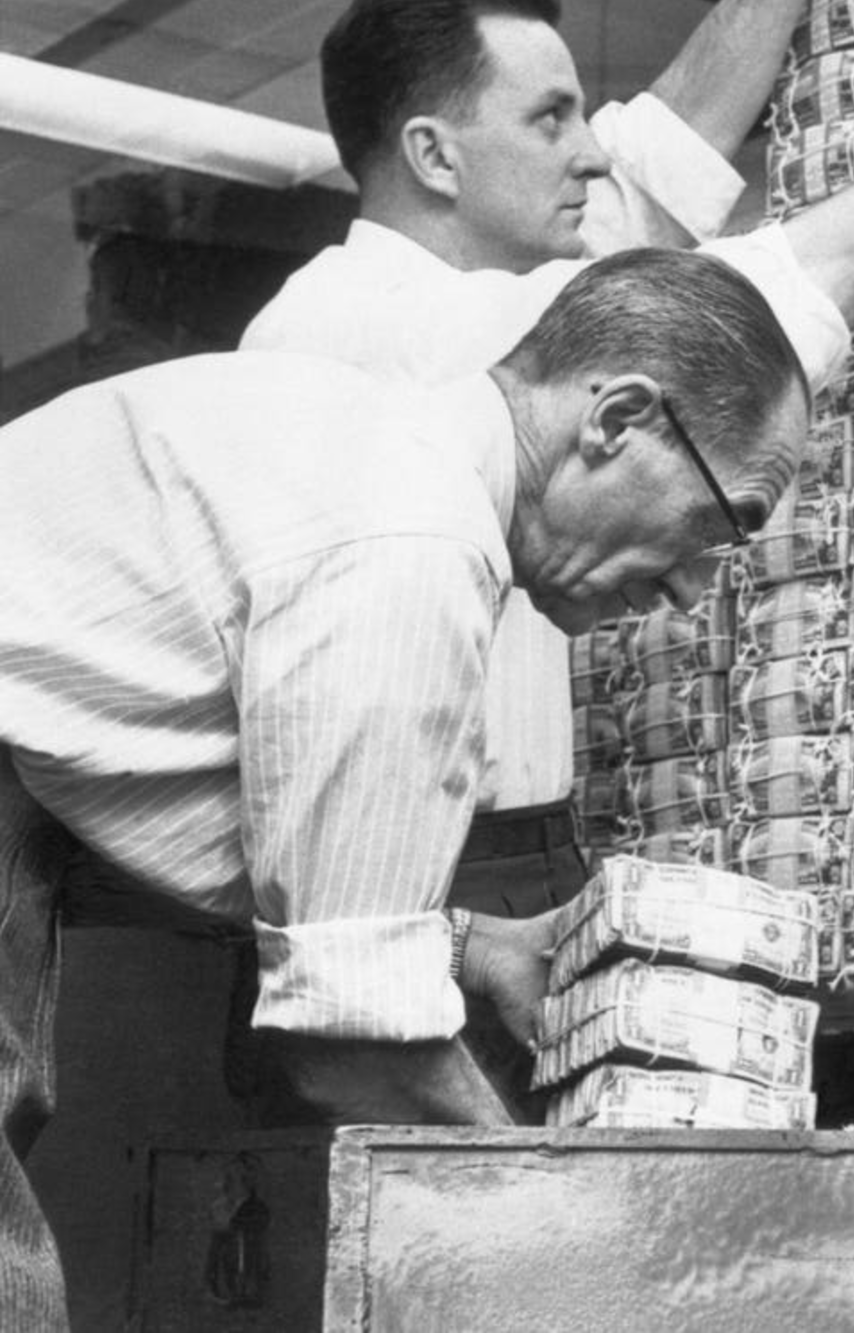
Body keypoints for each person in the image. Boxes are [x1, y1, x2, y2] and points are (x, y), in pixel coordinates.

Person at [242, 0, 854, 926]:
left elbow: (651, 175)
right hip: (403, 856)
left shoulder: (471, 302)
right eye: (550, 120)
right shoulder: (372, 324)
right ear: (435, 157)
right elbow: (751, 304)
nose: (589, 154)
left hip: (523, 840)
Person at [0, 248, 806, 1328]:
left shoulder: (361, 441)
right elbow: (351, 1046)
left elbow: (138, 795)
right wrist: (577, 1237)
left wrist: (461, 945)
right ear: (617, 419)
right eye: (719, 524)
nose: (694, 588)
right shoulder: (410, 541)